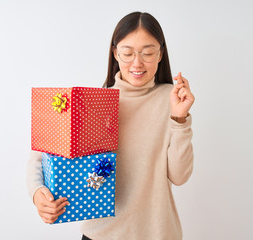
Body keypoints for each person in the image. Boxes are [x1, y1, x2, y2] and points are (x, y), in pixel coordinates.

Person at [27, 11, 195, 240]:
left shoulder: (173, 100)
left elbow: (179, 176)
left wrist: (180, 120)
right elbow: (40, 155)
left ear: (160, 54)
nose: (137, 63)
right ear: (115, 53)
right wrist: (38, 193)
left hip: (158, 234)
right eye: (127, 53)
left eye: (148, 53)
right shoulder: (95, 102)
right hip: (101, 235)